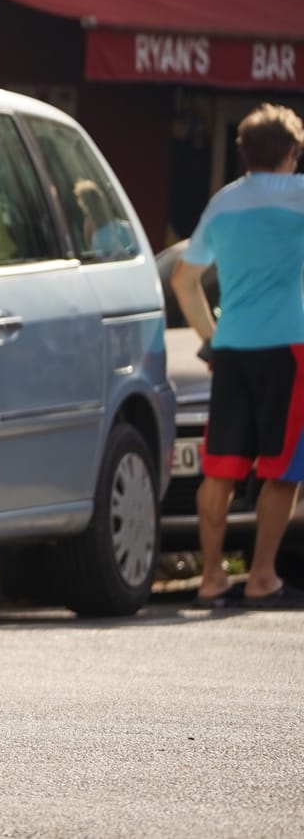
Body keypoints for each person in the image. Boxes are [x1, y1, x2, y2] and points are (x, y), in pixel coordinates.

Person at [171, 103, 304, 609]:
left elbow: (183, 280)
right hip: (287, 347)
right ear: (290, 153)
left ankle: (211, 579)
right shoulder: (300, 195)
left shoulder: (223, 203)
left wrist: (211, 337)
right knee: (282, 469)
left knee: (220, 467)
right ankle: (261, 577)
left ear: (244, 153)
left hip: (231, 348)